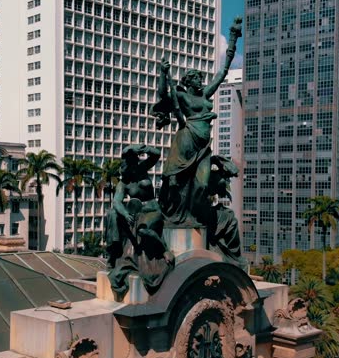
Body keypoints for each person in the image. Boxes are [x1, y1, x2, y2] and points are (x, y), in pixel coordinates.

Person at [153, 17, 242, 226]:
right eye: (196, 77)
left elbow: (222, 73)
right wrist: (163, 73)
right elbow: (163, 95)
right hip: (186, 141)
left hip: (203, 148)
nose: (200, 79)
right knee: (176, 182)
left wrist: (232, 40)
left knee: (202, 185)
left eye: (200, 77)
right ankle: (176, 215)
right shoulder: (182, 96)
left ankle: (193, 216)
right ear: (188, 81)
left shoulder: (205, 95)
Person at [104, 145, 172, 293]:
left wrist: (142, 149)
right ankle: (113, 252)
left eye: (131, 163)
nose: (129, 169)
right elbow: (117, 202)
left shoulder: (143, 168)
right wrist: (125, 214)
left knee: (144, 231)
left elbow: (156, 155)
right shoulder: (123, 183)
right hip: (136, 212)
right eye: (126, 166)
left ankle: (165, 250)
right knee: (112, 214)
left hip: (152, 210)